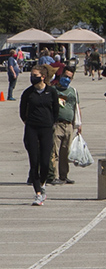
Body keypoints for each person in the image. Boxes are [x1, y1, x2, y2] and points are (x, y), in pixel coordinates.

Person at [19, 65, 59, 206]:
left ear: (43, 77)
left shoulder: (51, 92)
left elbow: (56, 110)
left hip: (46, 129)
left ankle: (42, 183)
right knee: (34, 161)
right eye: (32, 75)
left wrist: (50, 122)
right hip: (32, 129)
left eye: (35, 75)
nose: (32, 77)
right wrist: (29, 122)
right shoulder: (28, 93)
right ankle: (38, 193)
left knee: (45, 162)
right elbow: (22, 112)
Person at [48, 66, 81, 185]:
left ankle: (64, 175)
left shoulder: (73, 91)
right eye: (65, 76)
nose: (67, 79)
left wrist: (79, 123)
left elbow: (76, 107)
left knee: (65, 152)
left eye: (69, 78)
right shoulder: (53, 90)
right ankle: (54, 176)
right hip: (57, 124)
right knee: (54, 152)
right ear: (60, 76)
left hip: (69, 125)